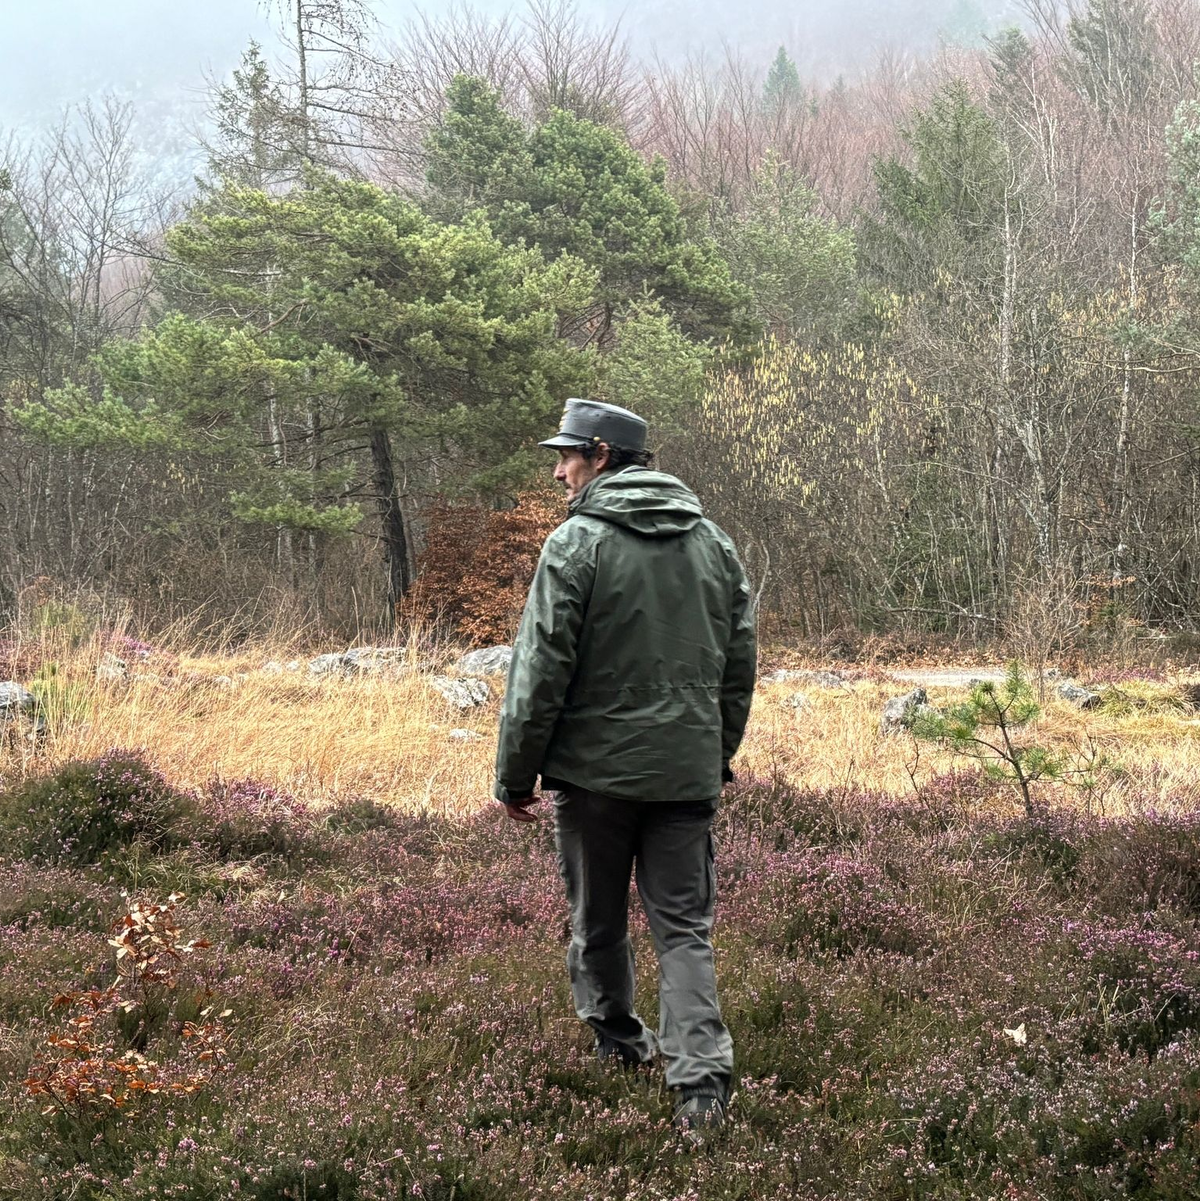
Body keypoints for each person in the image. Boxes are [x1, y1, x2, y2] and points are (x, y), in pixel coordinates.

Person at [493, 397, 757, 1137]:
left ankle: (617, 1042)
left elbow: (538, 671)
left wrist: (516, 775)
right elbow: (740, 671)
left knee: (597, 919)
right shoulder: (716, 544)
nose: (558, 469)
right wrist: (713, 753)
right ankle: (701, 1089)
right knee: (684, 931)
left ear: (602, 456)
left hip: (594, 780)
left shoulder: (575, 545)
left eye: (568, 455)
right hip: (685, 777)